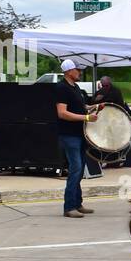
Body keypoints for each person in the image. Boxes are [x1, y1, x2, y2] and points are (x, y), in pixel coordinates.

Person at [54, 59, 98, 218]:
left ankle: (77, 203)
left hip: (79, 134)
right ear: (69, 71)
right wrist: (86, 118)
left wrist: (93, 108)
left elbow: (81, 107)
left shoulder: (76, 87)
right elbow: (62, 113)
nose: (80, 72)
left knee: (79, 170)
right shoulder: (61, 88)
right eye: (77, 70)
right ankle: (69, 207)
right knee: (76, 169)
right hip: (69, 134)